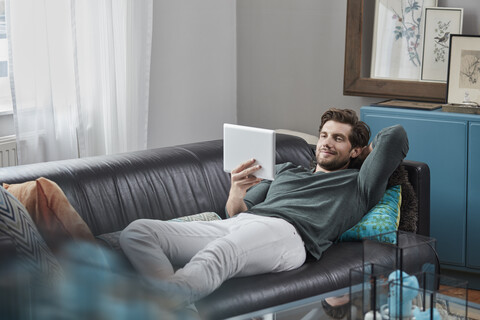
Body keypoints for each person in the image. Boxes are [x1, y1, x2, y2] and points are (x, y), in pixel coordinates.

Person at [119, 108, 409, 306]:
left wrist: (367, 154)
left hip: (290, 235)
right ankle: (173, 303)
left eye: (338, 138)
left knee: (220, 253)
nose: (326, 143)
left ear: (355, 150)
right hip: (239, 225)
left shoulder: (358, 183)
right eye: (323, 135)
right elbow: (238, 212)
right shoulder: (285, 171)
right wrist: (235, 189)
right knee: (138, 232)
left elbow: (395, 135)